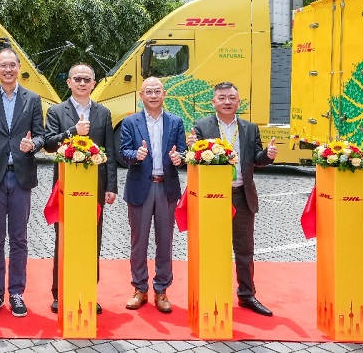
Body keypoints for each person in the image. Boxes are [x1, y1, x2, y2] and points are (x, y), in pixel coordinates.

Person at [188, 81, 277, 317]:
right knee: (212, 248)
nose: (227, 102)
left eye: (232, 98)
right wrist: (191, 149)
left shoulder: (249, 128)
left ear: (239, 101)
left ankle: (247, 295)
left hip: (241, 196)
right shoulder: (201, 126)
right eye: (222, 98)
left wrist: (267, 156)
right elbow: (195, 160)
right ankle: (211, 291)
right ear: (213, 101)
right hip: (213, 198)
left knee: (245, 250)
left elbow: (256, 158)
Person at [0, 48, 44, 317]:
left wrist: (32, 144)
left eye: (12, 65)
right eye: (3, 65)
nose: (8, 69)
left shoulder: (33, 99)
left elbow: (41, 135)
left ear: (19, 67)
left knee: (19, 238)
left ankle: (16, 292)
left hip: (21, 176)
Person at [43, 63, 117, 315]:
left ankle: (88, 291)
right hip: (65, 187)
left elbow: (109, 153)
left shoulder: (103, 113)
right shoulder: (55, 111)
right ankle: (59, 291)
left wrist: (111, 187)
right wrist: (72, 132)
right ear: (69, 83)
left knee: (91, 240)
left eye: (87, 79)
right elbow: (50, 145)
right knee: (63, 239)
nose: (82, 83)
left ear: (94, 83)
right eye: (78, 79)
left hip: (93, 188)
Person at [119, 76, 186, 313]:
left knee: (165, 242)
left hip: (166, 187)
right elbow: (122, 152)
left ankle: (161, 290)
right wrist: (134, 155)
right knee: (139, 242)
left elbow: (184, 152)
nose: (154, 95)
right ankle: (140, 288)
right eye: (149, 91)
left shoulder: (176, 122)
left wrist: (180, 159)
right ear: (141, 95)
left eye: (158, 91)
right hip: (140, 187)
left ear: (164, 94)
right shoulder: (130, 122)